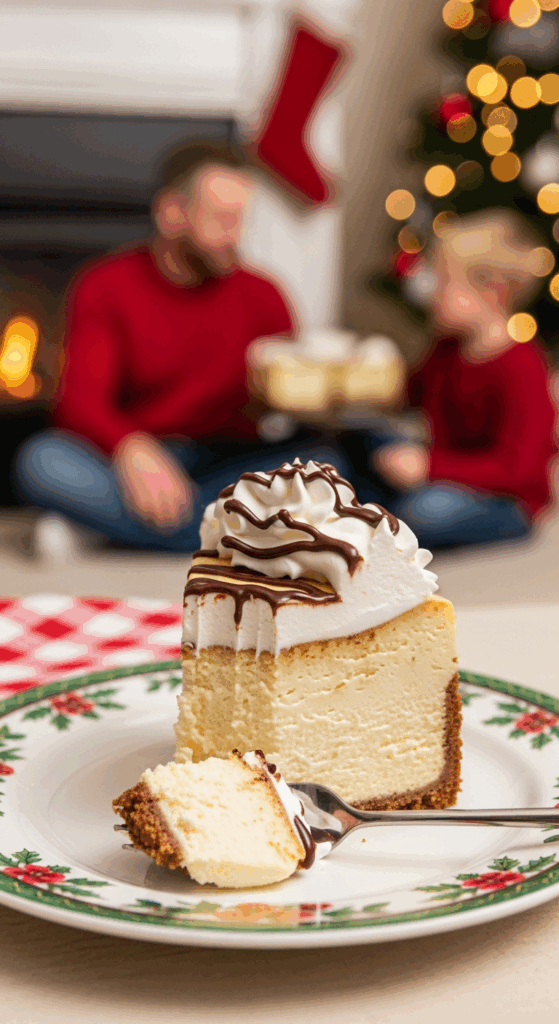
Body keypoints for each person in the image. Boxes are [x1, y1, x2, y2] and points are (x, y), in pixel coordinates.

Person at [16, 140, 349, 550]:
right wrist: (131, 449)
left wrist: (315, 392)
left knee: (326, 466)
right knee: (42, 461)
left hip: (226, 460)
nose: (235, 235)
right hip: (135, 457)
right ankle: (229, 535)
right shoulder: (104, 286)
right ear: (171, 214)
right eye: (222, 219)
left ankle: (114, 532)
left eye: (241, 220)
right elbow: (79, 402)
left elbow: (282, 410)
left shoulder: (264, 296)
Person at [364, 210, 557, 547]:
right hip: (444, 475)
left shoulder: (523, 366)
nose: (428, 292)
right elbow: (409, 397)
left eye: (441, 281)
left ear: (490, 289)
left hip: (507, 501)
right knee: (367, 447)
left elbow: (519, 471)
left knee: (422, 511)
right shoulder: (445, 349)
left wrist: (429, 466)